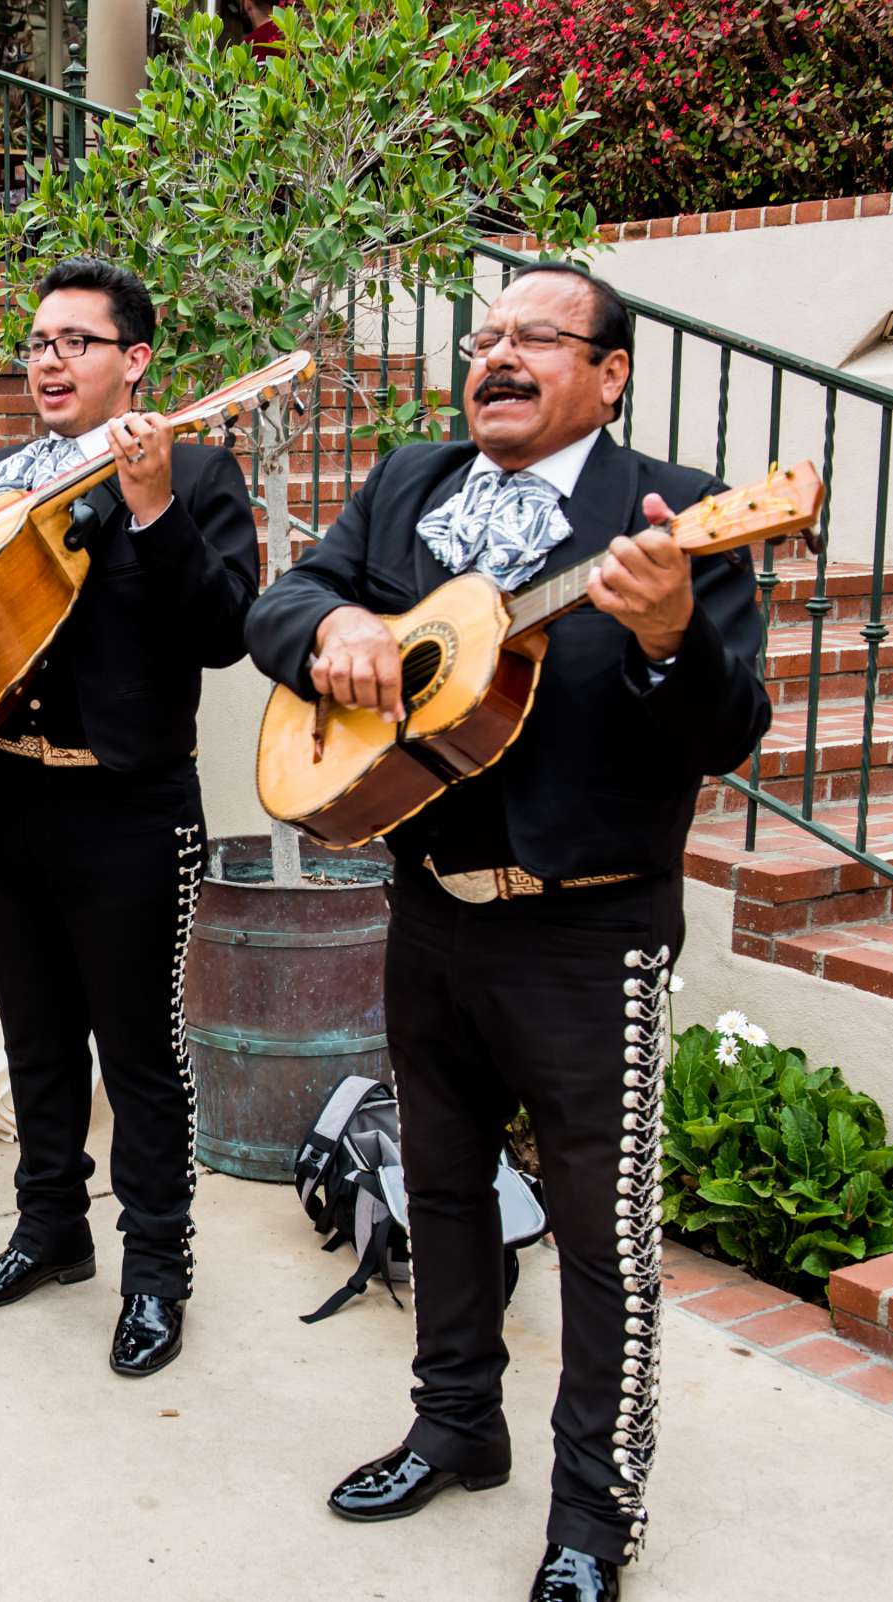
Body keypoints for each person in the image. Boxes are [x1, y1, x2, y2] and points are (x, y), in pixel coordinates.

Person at [245, 263, 771, 1602]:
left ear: (611, 371)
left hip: (593, 936)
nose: (500, 355)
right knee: (441, 1190)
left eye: (538, 336)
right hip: (429, 911)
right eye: (486, 335)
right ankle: (454, 1422)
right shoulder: (412, 484)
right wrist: (341, 628)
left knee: (605, 1243)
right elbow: (278, 601)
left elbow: (725, 731)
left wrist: (663, 636)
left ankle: (594, 1518)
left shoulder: (672, 515)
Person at [0, 258, 257, 1377]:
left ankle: (157, 1272)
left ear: (136, 361)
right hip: (3, 794)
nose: (51, 360)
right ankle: (51, 1230)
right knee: (32, 1034)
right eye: (39, 342)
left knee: (142, 1053)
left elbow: (223, 630)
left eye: (78, 341)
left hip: (129, 807)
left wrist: (155, 502)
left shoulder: (199, 471)